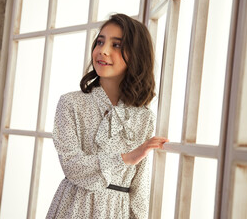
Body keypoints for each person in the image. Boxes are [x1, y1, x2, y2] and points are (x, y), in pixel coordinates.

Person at [46, 13, 168, 219]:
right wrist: (124, 159)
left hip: (116, 212)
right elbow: (71, 164)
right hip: (75, 206)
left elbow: (139, 186)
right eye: (100, 42)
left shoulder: (144, 118)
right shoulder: (71, 104)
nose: (102, 51)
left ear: (136, 55)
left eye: (116, 45)